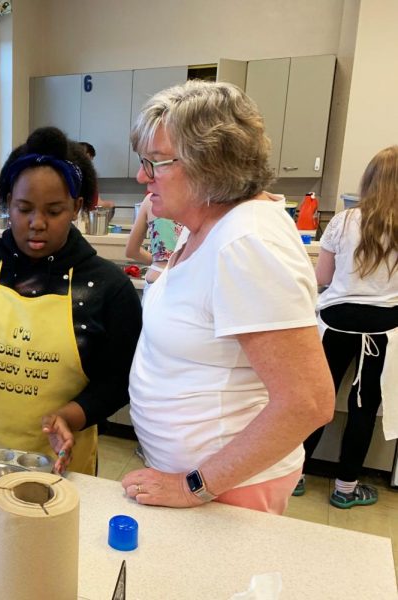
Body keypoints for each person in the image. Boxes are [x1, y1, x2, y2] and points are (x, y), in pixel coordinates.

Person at [121, 81, 334, 514]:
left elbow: (307, 401)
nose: (143, 175)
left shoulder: (246, 241)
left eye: (155, 163)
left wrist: (193, 486)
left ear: (207, 163)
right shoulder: (197, 226)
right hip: (204, 480)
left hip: (227, 490)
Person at [0, 127, 142, 474]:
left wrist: (71, 415)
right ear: (7, 201)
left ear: (77, 207)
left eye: (54, 211)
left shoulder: (107, 287)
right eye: (24, 208)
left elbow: (118, 381)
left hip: (58, 465)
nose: (36, 223)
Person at [295, 146, 398, 508]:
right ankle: (345, 489)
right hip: (383, 331)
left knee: (317, 401)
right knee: (363, 409)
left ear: (369, 180)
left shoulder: (343, 220)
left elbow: (322, 277)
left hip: (335, 322)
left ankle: (296, 476)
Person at [124, 193, 182, 298]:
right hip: (184, 281)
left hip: (155, 279)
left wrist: (159, 259)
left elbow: (131, 250)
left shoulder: (151, 199)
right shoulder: (201, 200)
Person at [77, 141, 115, 219]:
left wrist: (109, 204)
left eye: (90, 161)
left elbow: (96, 202)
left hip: (86, 220)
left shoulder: (90, 178)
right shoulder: (73, 177)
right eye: (87, 160)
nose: (89, 164)